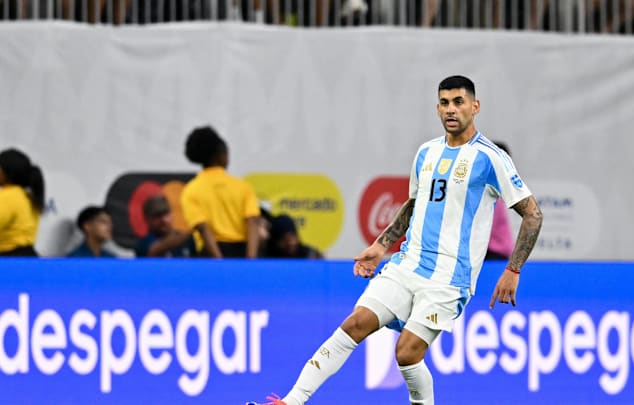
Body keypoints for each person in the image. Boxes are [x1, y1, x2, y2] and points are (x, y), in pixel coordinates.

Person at [259, 75, 543, 405]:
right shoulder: (426, 153)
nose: (451, 109)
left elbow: (533, 214)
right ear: (437, 108)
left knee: (406, 353)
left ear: (475, 107)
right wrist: (381, 246)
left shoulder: (490, 158)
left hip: (449, 278)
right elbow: (413, 205)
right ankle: (291, 402)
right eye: (444, 102)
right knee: (355, 324)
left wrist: (513, 270)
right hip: (408, 264)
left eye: (459, 102)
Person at [181, 126, 261, 258]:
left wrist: (219, 262)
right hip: (241, 251)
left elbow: (203, 228)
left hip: (209, 254)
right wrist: (251, 259)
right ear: (221, 156)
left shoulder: (191, 190)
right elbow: (252, 221)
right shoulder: (242, 187)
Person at [0, 148, 45, 256]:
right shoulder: (28, 196)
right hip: (26, 258)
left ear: (6, 171)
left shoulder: (9, 196)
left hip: (9, 261)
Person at [485, 140, 515, 261]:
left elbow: (485, 225)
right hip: (494, 251)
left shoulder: (493, 190)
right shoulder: (496, 187)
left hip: (493, 252)